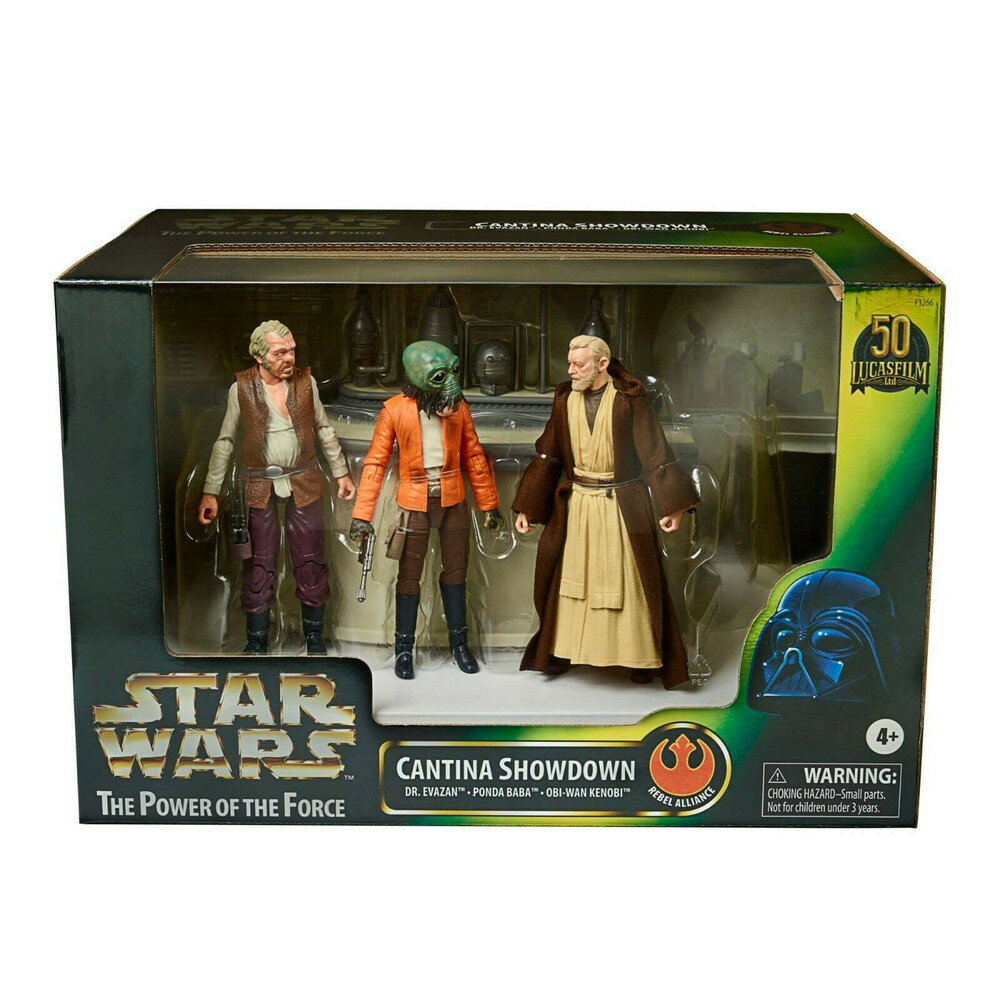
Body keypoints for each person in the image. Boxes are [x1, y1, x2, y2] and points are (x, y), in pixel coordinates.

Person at [512, 335, 698, 688]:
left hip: (620, 508)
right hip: (578, 505)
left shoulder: (629, 400)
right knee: (574, 581)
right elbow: (548, 455)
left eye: (578, 364)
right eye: (569, 363)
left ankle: (637, 657)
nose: (570, 370)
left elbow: (655, 452)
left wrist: (673, 504)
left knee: (626, 581)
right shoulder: (564, 400)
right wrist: (528, 506)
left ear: (602, 364)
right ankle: (566, 651)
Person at [198, 320, 355, 654]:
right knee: (258, 563)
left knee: (311, 560)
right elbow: (225, 441)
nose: (289, 358)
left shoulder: (305, 383)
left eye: (292, 350)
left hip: (304, 480)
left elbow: (323, 428)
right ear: (259, 356)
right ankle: (257, 640)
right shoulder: (241, 389)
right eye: (280, 353)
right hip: (258, 485)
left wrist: (341, 473)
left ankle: (314, 635)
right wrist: (211, 491)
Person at [350, 341, 502, 679]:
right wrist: (362, 515)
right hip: (414, 502)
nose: (451, 385)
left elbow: (474, 456)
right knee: (408, 576)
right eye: (439, 377)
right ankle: (404, 648)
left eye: (453, 372)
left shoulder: (458, 409)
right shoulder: (394, 411)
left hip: (453, 499)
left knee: (456, 572)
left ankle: (459, 644)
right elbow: (375, 463)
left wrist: (489, 504)